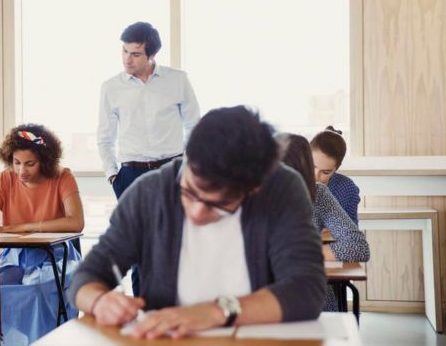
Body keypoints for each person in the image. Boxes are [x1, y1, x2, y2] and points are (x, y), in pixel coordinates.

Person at [71, 106, 325, 339]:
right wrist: (99, 301)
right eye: (190, 192)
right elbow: (87, 277)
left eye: (218, 204)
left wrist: (217, 311)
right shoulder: (150, 193)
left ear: (253, 188)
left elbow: (305, 289)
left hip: (256, 340)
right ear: (188, 158)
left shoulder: (281, 189)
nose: (197, 212)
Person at [97, 21, 200, 295]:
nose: (127, 59)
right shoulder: (111, 87)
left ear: (151, 55)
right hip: (130, 175)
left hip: (173, 170)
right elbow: (105, 137)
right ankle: (144, 313)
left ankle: (180, 312)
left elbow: (195, 127)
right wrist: (113, 175)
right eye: (124, 52)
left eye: (135, 54)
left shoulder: (177, 80)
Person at [0, 124, 84, 343]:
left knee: (37, 290)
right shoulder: (5, 179)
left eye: (30, 164)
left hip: (57, 254)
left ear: (45, 160)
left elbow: (76, 223)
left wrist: (24, 227)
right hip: (13, 254)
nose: (22, 171)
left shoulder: (63, 177)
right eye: (16, 163)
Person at [277, 133, 370, 311]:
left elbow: (358, 246)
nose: (315, 176)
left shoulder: (319, 194)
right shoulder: (251, 196)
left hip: (311, 295)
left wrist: (303, 251)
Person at [310, 126, 360, 225]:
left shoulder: (347, 188)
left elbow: (351, 230)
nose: (315, 176)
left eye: (325, 172)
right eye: (311, 165)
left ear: (336, 168)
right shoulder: (292, 182)